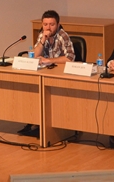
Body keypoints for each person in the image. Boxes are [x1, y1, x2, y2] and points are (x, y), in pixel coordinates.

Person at [18, 10, 74, 138]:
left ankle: (48, 126)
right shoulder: (42, 34)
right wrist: (43, 39)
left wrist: (50, 60)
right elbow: (34, 55)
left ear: (58, 24)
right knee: (31, 90)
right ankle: (34, 121)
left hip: (60, 74)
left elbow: (70, 58)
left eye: (52, 24)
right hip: (45, 72)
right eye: (45, 24)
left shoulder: (63, 35)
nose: (48, 28)